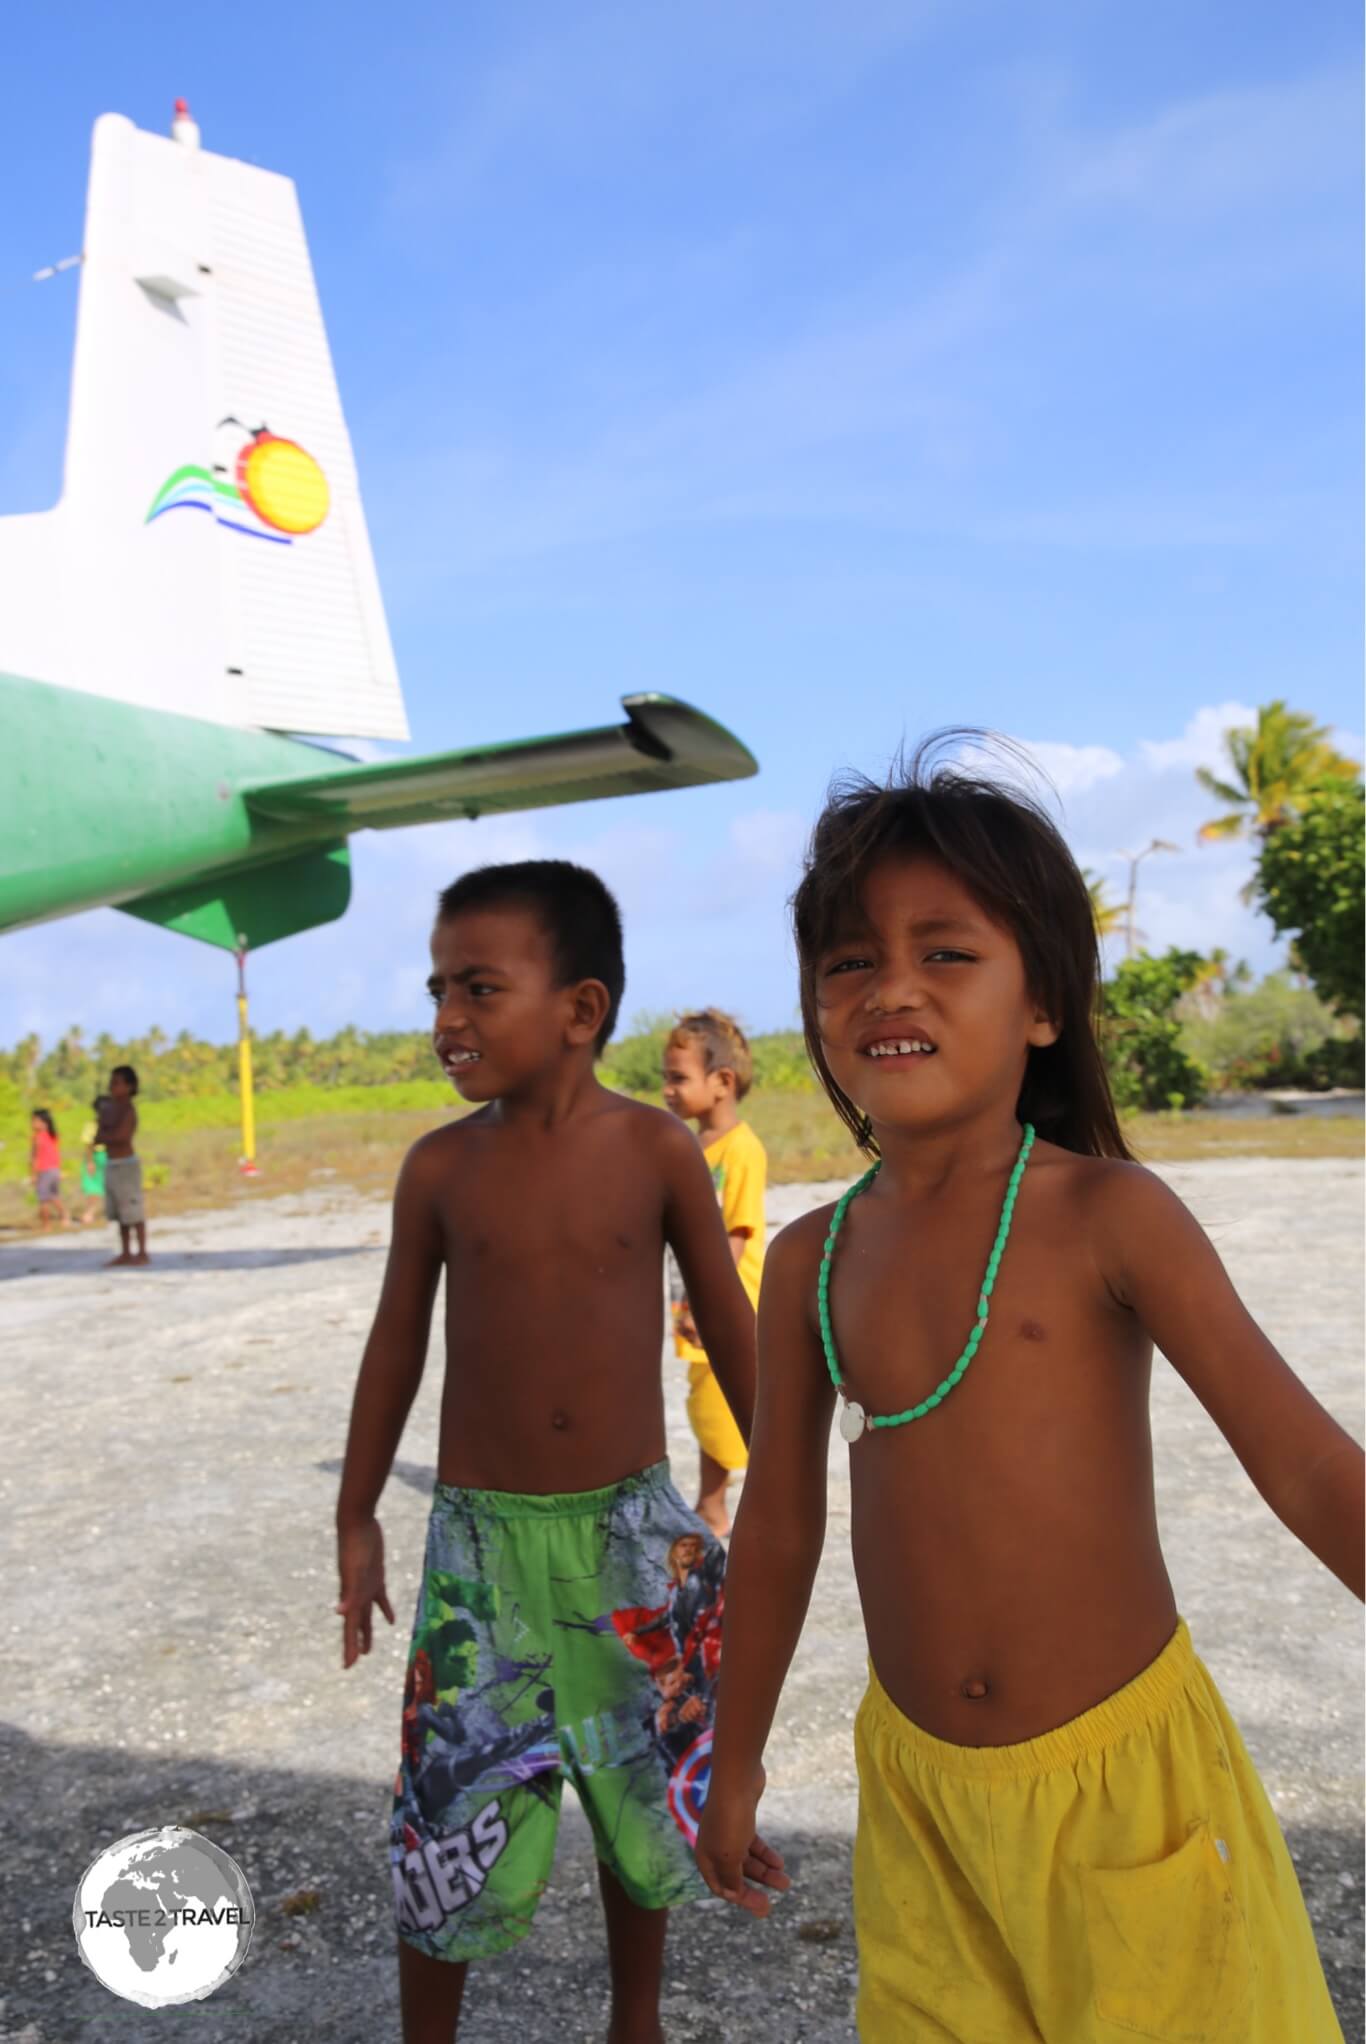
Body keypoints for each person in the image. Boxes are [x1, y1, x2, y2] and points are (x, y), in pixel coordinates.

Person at [695, 740, 1363, 2042]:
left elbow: (1306, 1467)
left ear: (1041, 1004)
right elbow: (776, 1527)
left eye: (945, 952)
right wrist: (732, 1759)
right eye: (847, 960)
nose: (890, 984)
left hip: (1126, 1795)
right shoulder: (807, 1259)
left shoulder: (1107, 1216)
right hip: (920, 1804)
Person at [334, 859, 757, 2044]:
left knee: (638, 1791)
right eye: (437, 991)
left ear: (579, 1010)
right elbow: (394, 1348)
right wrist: (356, 1511)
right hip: (482, 1551)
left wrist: (796, 1479)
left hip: (630, 1532)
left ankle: (637, 2020)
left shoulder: (655, 1152)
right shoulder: (440, 1169)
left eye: (477, 988)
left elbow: (729, 1325)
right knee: (447, 1811)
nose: (445, 1021)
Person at [661, 1011, 768, 1535]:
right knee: (704, 1397)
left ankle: (716, 1504)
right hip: (695, 1298)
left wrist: (710, 1302)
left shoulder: (742, 1149)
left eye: (678, 1078)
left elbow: (738, 1233)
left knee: (723, 1400)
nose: (666, 1091)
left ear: (722, 1083)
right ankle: (712, 1501)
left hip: (725, 1301)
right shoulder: (688, 1148)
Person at [98, 1065, 148, 1266]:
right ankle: (126, 1252)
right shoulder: (110, 1110)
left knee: (133, 1212)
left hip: (126, 1166)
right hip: (111, 1163)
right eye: (111, 1083)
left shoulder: (128, 1111)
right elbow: (100, 1136)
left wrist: (105, 1135)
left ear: (129, 1086)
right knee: (120, 1213)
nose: (112, 1087)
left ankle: (142, 1252)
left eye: (117, 1083)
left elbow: (121, 1136)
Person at [28, 1109, 68, 1229]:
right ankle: (64, 1215)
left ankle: (46, 1224)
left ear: (43, 1123)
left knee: (43, 1198)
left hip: (44, 1170)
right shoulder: (53, 1136)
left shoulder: (38, 1137)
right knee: (53, 1196)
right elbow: (56, 1154)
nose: (32, 1124)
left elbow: (35, 1157)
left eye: (35, 1121)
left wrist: (34, 1174)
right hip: (54, 1170)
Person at [77, 1097, 109, 1226]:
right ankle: (90, 1212)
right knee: (94, 1187)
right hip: (98, 1156)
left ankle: (92, 1213)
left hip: (106, 1156)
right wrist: (90, 1162)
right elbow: (89, 1144)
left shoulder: (109, 1126)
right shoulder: (93, 1125)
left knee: (96, 1186)